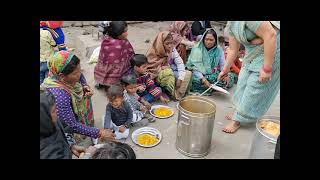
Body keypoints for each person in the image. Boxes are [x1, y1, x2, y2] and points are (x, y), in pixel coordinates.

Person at [219, 21, 280, 133]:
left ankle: (238, 120)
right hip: (253, 52)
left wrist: (267, 69)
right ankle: (238, 110)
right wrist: (225, 69)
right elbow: (233, 49)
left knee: (255, 85)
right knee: (242, 80)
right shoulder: (232, 25)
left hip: (271, 49)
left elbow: (271, 35)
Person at [41, 51, 115, 142]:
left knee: (87, 123)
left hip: (81, 105)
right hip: (74, 120)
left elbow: (81, 76)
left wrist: (84, 86)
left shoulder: (57, 71)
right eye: (75, 73)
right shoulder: (60, 95)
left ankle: (89, 130)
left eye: (80, 70)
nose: (79, 74)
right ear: (62, 76)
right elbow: (71, 124)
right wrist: (99, 133)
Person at [186, 28, 236, 95]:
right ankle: (211, 87)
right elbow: (194, 68)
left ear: (215, 41)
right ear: (203, 39)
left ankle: (211, 87)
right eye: (206, 39)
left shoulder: (219, 50)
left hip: (212, 74)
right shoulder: (197, 49)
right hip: (198, 75)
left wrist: (224, 74)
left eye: (211, 40)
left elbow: (222, 65)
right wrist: (203, 80)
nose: (208, 42)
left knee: (228, 78)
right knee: (195, 82)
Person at [40, 90, 87, 159]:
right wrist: (87, 156)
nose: (57, 111)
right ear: (44, 117)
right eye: (53, 111)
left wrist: (71, 146)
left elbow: (65, 128)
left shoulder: (51, 122)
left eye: (56, 108)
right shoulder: (45, 152)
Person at [146, 31, 192, 100]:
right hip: (155, 77)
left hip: (169, 70)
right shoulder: (153, 52)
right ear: (161, 43)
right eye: (167, 43)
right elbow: (149, 69)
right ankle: (169, 93)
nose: (170, 46)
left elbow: (179, 63)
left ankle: (178, 94)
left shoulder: (172, 49)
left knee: (188, 73)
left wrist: (180, 78)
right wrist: (161, 68)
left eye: (171, 43)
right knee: (168, 73)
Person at [94, 21, 135, 89]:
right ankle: (110, 85)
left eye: (127, 31)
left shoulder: (106, 39)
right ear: (118, 33)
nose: (127, 33)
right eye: (125, 31)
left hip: (104, 70)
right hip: (115, 72)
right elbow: (130, 54)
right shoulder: (120, 44)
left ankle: (103, 83)